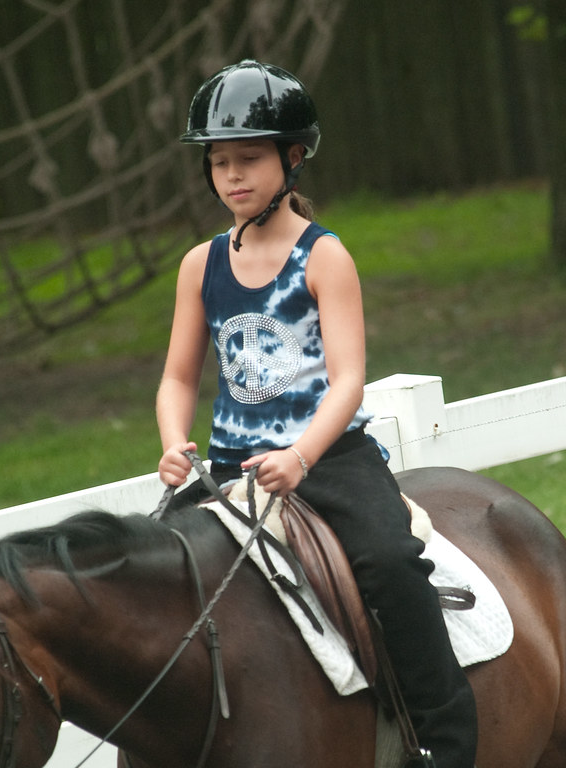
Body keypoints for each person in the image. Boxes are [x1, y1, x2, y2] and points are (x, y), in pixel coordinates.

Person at [155, 59, 477, 767]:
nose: (232, 176)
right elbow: (179, 376)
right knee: (155, 584)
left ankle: (445, 740)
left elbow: (349, 381)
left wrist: (300, 457)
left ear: (292, 158)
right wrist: (175, 441)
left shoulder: (322, 257)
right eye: (219, 163)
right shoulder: (198, 267)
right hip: (229, 469)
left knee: (392, 564)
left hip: (325, 460)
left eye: (248, 159)